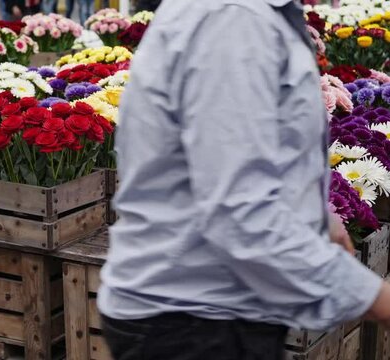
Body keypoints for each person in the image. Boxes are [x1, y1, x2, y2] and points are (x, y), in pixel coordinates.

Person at [97, 1, 390, 359]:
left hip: (206, 311)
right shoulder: (233, 20)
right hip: (193, 322)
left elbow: (235, 160)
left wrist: (316, 220)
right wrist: (376, 299)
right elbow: (241, 213)